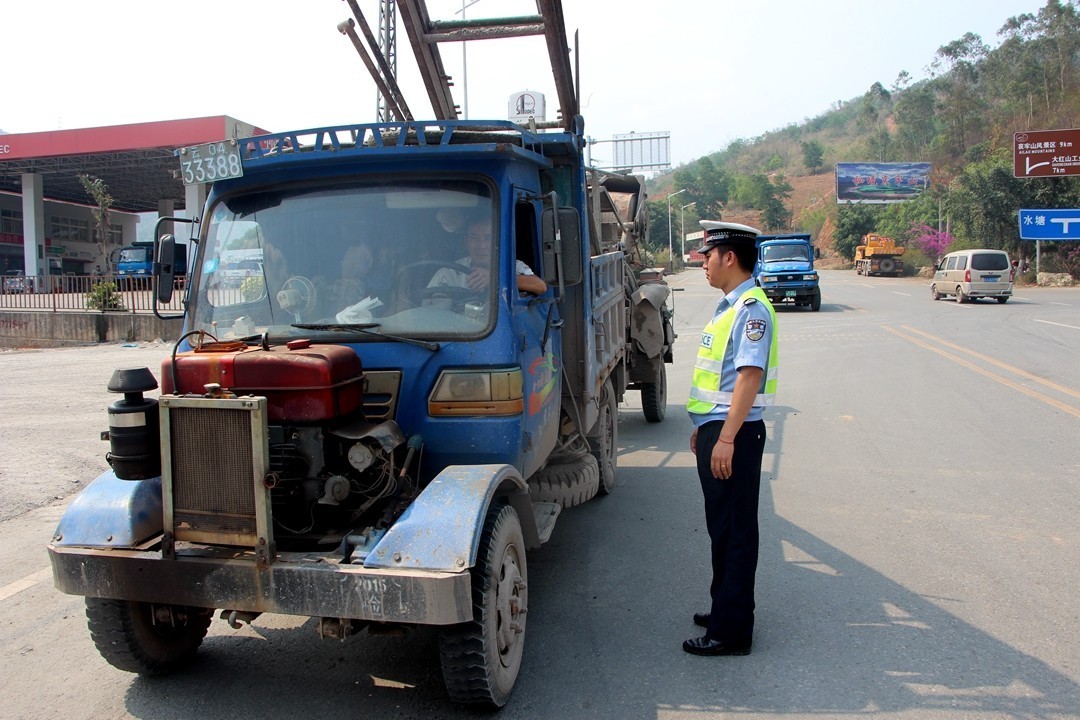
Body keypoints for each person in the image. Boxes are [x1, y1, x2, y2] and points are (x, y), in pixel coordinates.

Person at [684, 220, 778, 657]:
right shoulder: (728, 306)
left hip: (733, 434)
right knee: (720, 527)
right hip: (718, 429)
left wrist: (725, 438)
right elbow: (717, 379)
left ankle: (732, 630)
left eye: (708, 255)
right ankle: (724, 606)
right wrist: (704, 429)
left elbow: (749, 377)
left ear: (730, 257)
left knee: (736, 530)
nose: (703, 263)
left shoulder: (751, 309)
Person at [428, 215, 547, 295]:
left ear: (497, 242)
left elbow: (540, 286)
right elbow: (428, 303)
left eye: (487, 238)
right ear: (466, 242)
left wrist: (494, 279)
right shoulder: (448, 272)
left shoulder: (513, 266)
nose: (481, 245)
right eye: (474, 238)